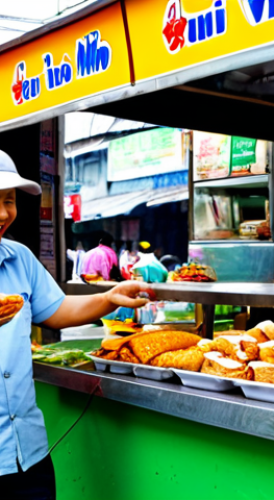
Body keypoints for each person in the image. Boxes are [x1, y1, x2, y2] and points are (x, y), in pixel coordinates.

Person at [0, 150, 150, 499]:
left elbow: (57, 309)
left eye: (9, 200)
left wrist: (108, 298)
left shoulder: (18, 257)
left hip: (29, 456)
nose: (4, 212)